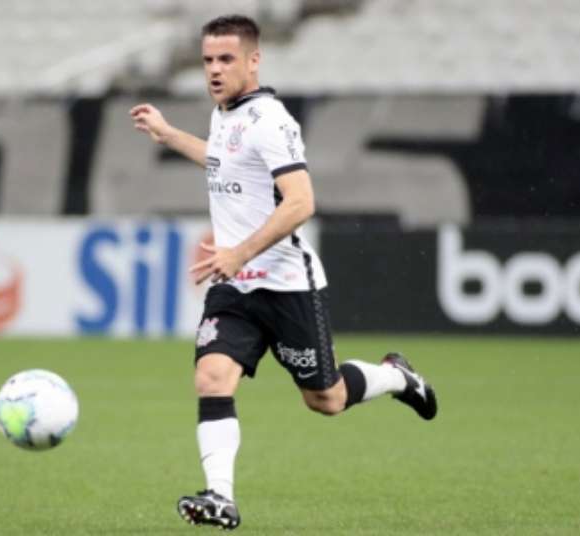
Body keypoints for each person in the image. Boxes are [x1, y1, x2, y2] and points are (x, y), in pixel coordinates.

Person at [130, 14, 437, 531]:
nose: (214, 70)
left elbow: (301, 203)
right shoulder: (223, 114)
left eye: (226, 59)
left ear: (254, 60)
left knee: (327, 399)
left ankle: (395, 376)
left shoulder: (271, 120)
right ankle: (220, 496)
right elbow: (224, 164)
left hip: (288, 284)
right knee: (211, 378)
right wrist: (168, 136)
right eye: (207, 60)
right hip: (235, 288)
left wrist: (240, 253)